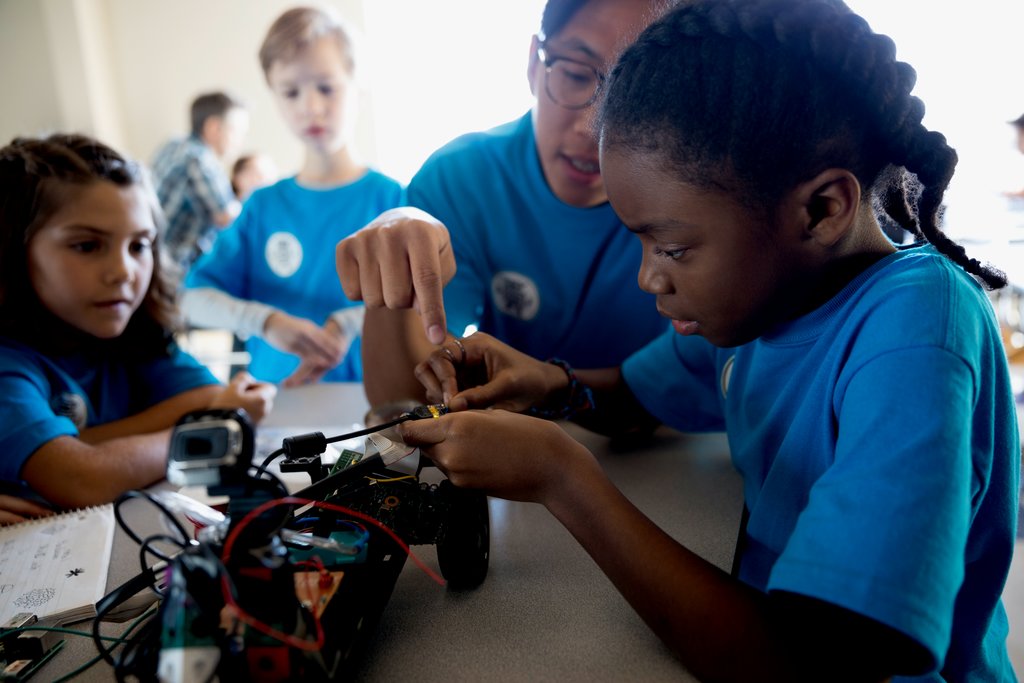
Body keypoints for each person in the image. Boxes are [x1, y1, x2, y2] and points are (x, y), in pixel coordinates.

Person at [395, 1, 1021, 680]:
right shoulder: (769, 300)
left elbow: (821, 657)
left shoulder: (918, 329)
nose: (647, 277)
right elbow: (638, 395)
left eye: (671, 247)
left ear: (821, 208)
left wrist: (564, 478)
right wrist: (551, 383)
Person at [336, 0, 673, 407]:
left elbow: (690, 386)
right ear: (534, 63)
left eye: (633, 91)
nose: (591, 127)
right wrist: (395, 266)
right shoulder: (458, 182)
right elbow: (408, 402)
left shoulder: (689, 197)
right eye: (576, 75)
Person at [0, 134, 276, 510]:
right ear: (12, 249)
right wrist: (203, 430)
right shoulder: (8, 362)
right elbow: (82, 480)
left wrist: (80, 442)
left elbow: (208, 396)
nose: (123, 272)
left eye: (139, 246)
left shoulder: (133, 331)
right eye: (87, 246)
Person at [184, 6, 403, 387]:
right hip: (277, 405)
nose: (311, 107)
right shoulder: (262, 207)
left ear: (356, 83)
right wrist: (265, 321)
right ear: (274, 95)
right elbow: (193, 297)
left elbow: (428, 303)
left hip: (373, 404)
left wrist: (348, 324)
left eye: (326, 87)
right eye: (291, 92)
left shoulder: (392, 201)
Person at [151, 91, 248, 274]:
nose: (241, 142)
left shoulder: (174, 143)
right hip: (172, 271)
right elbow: (231, 221)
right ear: (213, 128)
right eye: (238, 132)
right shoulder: (198, 159)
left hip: (152, 260)